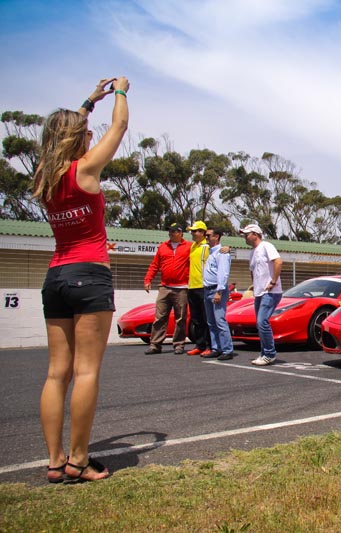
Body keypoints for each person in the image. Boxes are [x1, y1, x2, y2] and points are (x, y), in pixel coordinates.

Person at [33, 76, 129, 483]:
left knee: (58, 373)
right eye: (85, 133)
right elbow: (119, 128)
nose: (91, 137)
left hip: (55, 276)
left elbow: (62, 135)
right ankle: (78, 460)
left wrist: (89, 99)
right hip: (89, 274)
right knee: (86, 371)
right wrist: (120, 92)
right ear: (75, 139)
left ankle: (55, 462)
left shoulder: (45, 176)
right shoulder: (84, 170)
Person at [143, 223, 191, 355]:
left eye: (174, 231)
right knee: (160, 317)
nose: (171, 233)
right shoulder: (163, 247)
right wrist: (148, 280)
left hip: (182, 288)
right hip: (164, 287)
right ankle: (155, 345)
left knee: (180, 318)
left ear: (181, 233)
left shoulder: (189, 247)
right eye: (170, 231)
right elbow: (154, 265)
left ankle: (179, 344)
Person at [240, 224, 283, 366]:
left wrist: (273, 281)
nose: (245, 237)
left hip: (270, 292)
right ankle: (264, 353)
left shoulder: (266, 246)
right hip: (259, 292)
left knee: (262, 321)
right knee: (260, 324)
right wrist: (254, 286)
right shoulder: (252, 252)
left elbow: (278, 261)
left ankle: (269, 354)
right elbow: (253, 272)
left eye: (247, 234)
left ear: (255, 234)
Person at [200, 227, 236, 360]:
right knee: (211, 322)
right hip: (207, 289)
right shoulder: (211, 252)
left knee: (220, 320)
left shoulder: (222, 253)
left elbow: (223, 273)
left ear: (217, 237)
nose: (207, 238)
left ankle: (227, 349)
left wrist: (219, 292)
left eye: (209, 235)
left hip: (216, 289)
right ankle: (217, 347)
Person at [185, 221, 212, 356]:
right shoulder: (192, 247)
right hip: (192, 287)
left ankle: (210, 345)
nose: (193, 234)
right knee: (196, 319)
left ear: (202, 233)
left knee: (206, 318)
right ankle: (199, 345)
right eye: (192, 231)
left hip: (203, 287)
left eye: (195, 231)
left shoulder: (207, 247)